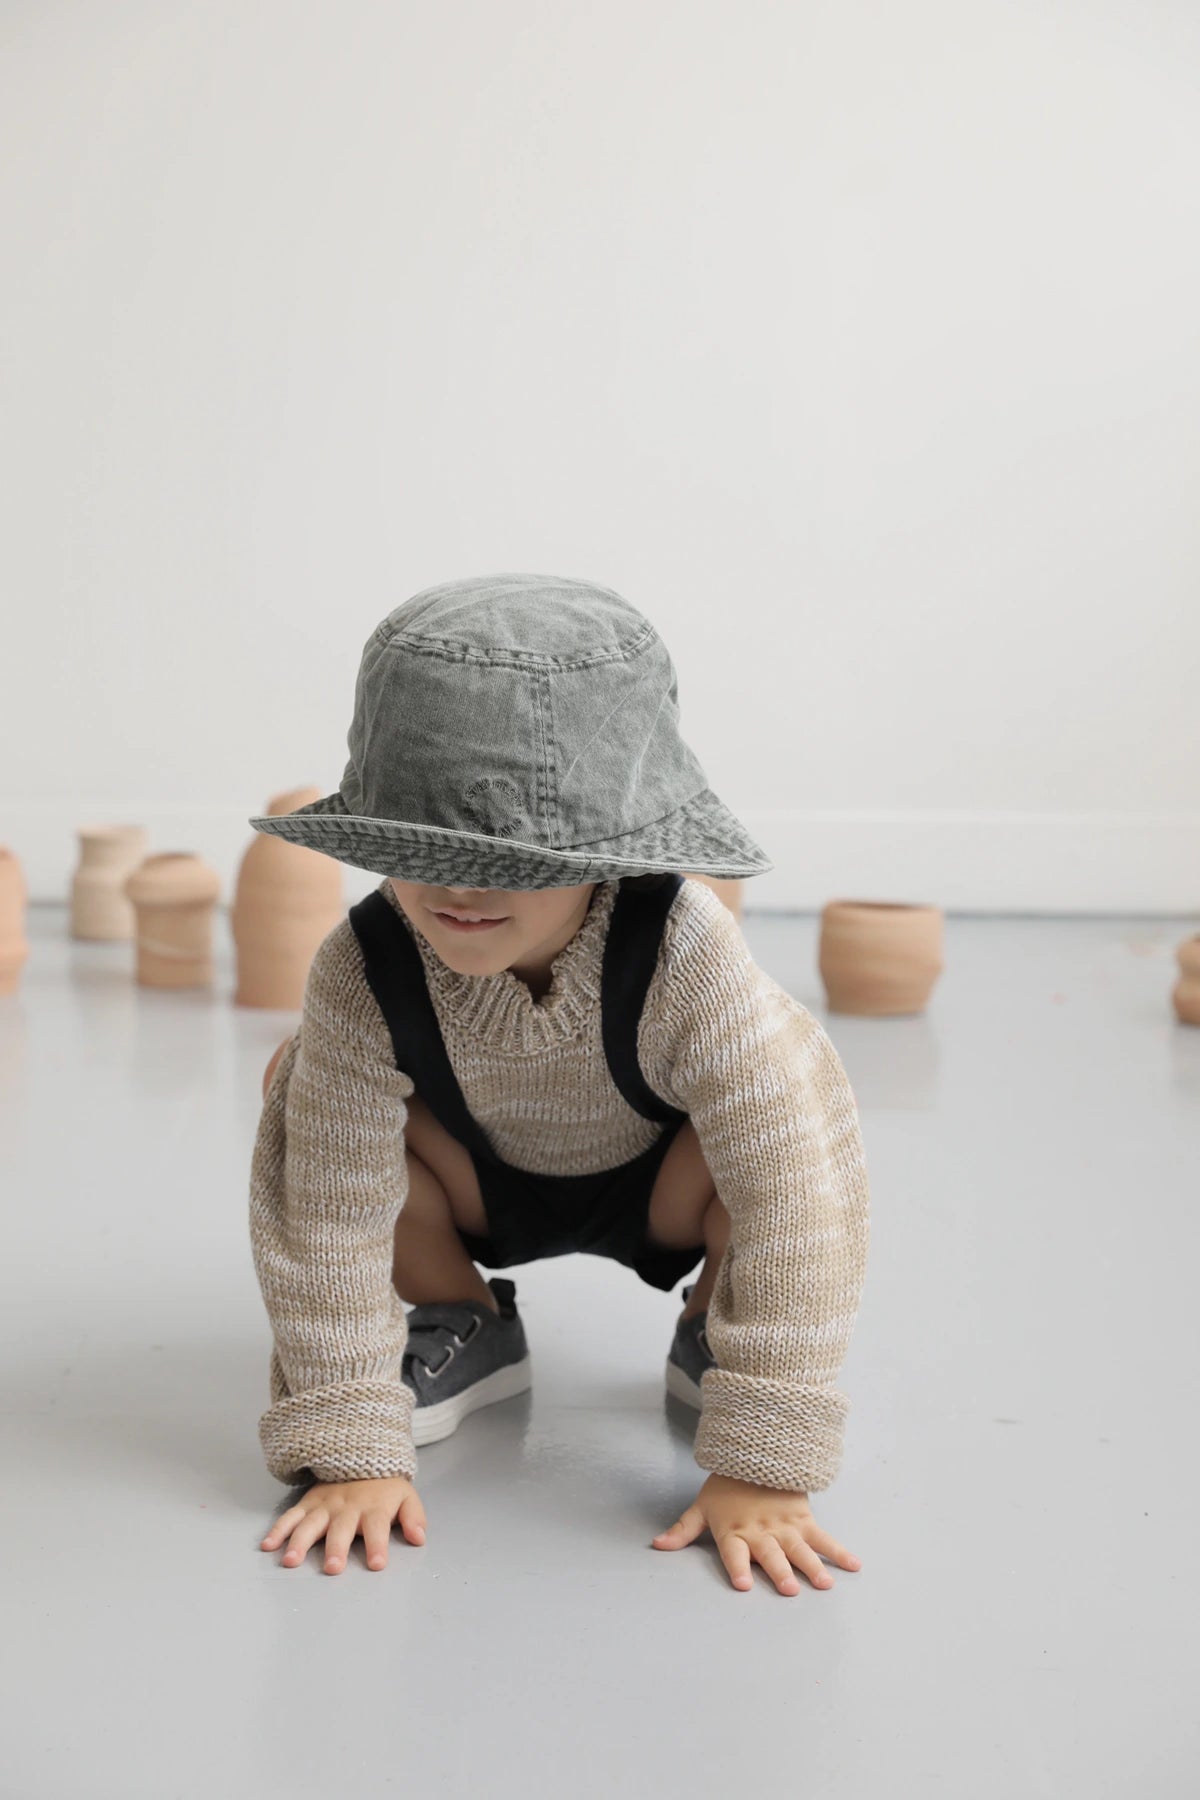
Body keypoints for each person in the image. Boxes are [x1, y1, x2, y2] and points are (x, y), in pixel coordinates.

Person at [247, 572, 871, 1595]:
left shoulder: (683, 947)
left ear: (609, 853)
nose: (460, 885)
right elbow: (326, 1217)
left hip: (669, 1184)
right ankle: (463, 1317)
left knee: (782, 1105)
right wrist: (350, 1443)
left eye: (518, 859)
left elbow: (794, 1196)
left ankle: (717, 1330)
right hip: (471, 1181)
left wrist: (764, 1463)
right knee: (304, 1088)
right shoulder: (360, 967)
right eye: (420, 848)